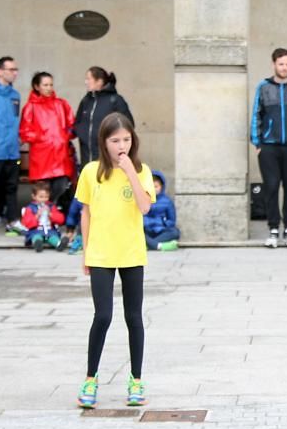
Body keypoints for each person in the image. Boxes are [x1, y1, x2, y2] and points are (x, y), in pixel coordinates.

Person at [74, 112, 156, 409]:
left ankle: (136, 379)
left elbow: (145, 207)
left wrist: (130, 172)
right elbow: (86, 213)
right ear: (104, 142)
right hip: (101, 253)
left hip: (132, 252)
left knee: (134, 317)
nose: (121, 145)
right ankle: (90, 378)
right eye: (115, 140)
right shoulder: (91, 172)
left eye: (126, 139)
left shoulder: (142, 170)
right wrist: (85, 252)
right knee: (103, 316)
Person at [250, 48, 287, 248]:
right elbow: (256, 115)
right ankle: (273, 229)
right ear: (274, 64)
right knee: (272, 187)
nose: (284, 68)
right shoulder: (264, 87)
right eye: (281, 64)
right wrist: (257, 142)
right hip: (268, 147)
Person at [19, 72, 76, 213]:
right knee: (43, 190)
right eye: (45, 85)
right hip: (42, 157)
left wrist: (64, 137)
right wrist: (43, 136)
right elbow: (24, 132)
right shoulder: (30, 107)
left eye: (51, 84)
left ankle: (52, 214)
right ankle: (43, 217)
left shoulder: (61, 104)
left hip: (60, 155)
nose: (49, 88)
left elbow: (72, 125)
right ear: (36, 86)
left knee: (61, 186)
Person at [0, 57, 22, 237]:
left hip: (11, 151)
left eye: (16, 69)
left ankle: (12, 221)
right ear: (0, 71)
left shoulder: (15, 95)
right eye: (11, 69)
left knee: (11, 188)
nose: (15, 72)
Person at [74, 66, 133, 164]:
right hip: (86, 157)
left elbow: (128, 124)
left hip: (107, 159)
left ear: (99, 81)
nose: (86, 82)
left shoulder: (115, 100)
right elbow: (78, 122)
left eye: (89, 79)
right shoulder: (86, 101)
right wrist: (82, 134)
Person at [20, 180, 67, 252]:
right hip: (36, 230)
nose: (44, 199)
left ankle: (59, 244)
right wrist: (37, 215)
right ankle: (37, 244)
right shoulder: (30, 208)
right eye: (41, 197)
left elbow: (61, 219)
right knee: (36, 237)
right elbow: (26, 223)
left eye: (46, 197)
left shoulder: (51, 206)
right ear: (34, 196)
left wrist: (50, 214)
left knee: (53, 237)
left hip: (50, 230)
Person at [143, 170, 180, 252]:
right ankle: (159, 246)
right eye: (151, 186)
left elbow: (172, 220)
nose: (154, 189)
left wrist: (164, 223)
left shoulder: (167, 201)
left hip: (160, 230)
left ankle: (148, 245)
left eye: (156, 186)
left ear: (161, 187)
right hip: (146, 229)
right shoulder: (142, 199)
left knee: (175, 232)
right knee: (139, 233)